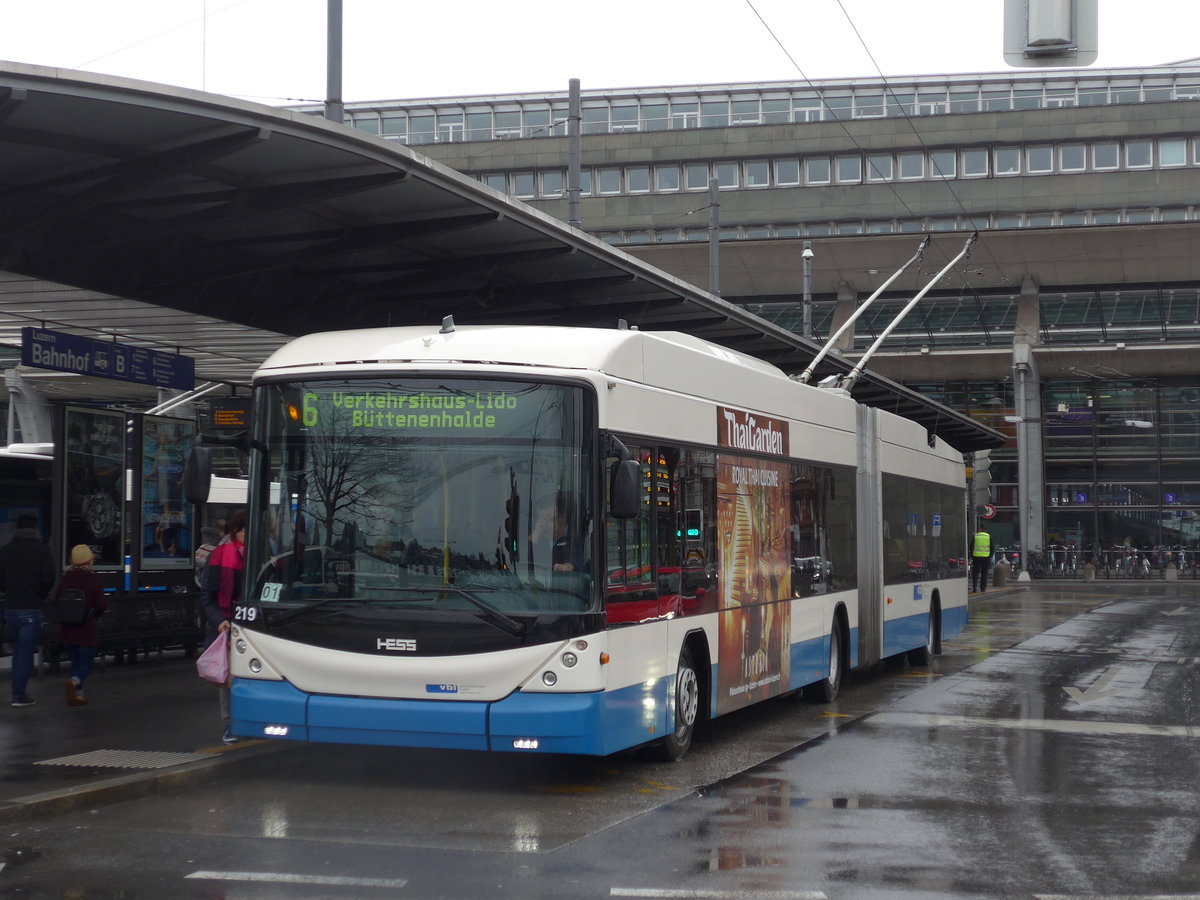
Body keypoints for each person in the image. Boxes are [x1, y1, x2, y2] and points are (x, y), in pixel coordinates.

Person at [0, 514, 58, 707]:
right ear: (36, 529)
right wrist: (39, 594)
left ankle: (16, 691)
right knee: (24, 653)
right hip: (31, 608)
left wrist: (9, 592)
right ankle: (19, 694)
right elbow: (49, 577)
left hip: (10, 608)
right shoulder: (42, 550)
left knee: (18, 650)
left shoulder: (5, 551)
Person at [201, 510, 245, 744]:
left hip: (248, 623)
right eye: (246, 530)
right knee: (228, 678)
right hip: (227, 625)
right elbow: (207, 596)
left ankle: (241, 722)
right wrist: (220, 620)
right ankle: (230, 725)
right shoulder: (219, 555)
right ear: (236, 530)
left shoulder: (253, 553)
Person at [55, 545, 108, 707]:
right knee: (85, 665)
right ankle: (74, 682)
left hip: (68, 629)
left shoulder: (65, 578)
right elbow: (101, 604)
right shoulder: (91, 578)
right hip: (86, 629)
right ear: (89, 561)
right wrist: (94, 615)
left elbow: (57, 601)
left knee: (75, 662)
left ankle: (78, 695)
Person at [530, 493, 583, 573]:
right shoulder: (537, 538)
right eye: (543, 520)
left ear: (563, 517)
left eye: (551, 519)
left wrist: (567, 567)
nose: (547, 525)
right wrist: (536, 533)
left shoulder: (576, 535)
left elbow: (578, 558)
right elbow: (521, 561)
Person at [971, 526, 992, 593]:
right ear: (985, 530)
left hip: (976, 557)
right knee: (984, 574)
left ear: (980, 529)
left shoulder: (975, 536)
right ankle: (983, 588)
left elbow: (971, 547)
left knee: (975, 573)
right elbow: (992, 547)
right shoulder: (988, 536)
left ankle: (974, 587)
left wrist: (972, 556)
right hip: (985, 557)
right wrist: (989, 556)